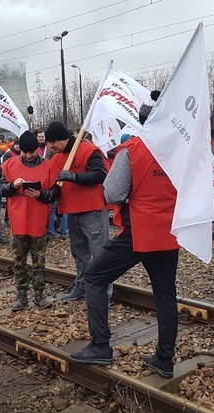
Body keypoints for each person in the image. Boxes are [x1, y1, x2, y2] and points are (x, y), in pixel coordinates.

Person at [70, 93, 180, 379]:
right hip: (169, 234)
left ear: (142, 122)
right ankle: (164, 360)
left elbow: (113, 192)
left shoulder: (132, 149)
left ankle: (100, 346)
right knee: (166, 295)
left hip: (139, 232)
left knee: (94, 278)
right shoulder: (182, 152)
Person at [45, 121, 110, 302]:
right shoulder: (57, 158)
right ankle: (82, 286)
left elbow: (101, 174)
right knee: (79, 251)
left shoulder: (87, 150)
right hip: (73, 210)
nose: (49, 146)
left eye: (52, 143)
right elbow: (55, 186)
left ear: (61, 139)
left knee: (99, 252)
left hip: (92, 209)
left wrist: (73, 177)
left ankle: (104, 292)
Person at [0, 131, 61, 311]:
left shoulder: (49, 166)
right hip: (18, 222)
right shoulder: (9, 165)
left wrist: (41, 195)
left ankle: (39, 294)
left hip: (39, 221)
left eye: (31, 152)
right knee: (19, 261)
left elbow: (56, 193)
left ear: (38, 149)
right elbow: (1, 189)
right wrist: (12, 186)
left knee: (39, 262)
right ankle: (21, 295)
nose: (28, 155)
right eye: (24, 152)